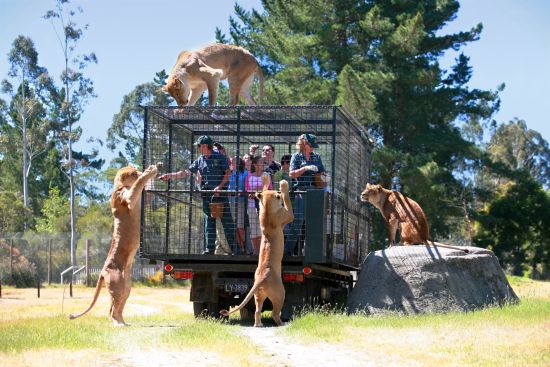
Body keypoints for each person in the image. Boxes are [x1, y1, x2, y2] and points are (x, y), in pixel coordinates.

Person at [159, 135, 236, 255]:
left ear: (206, 146)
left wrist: (219, 187)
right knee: (208, 222)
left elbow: (228, 174)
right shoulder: (200, 160)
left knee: (227, 222)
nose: (199, 148)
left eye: (200, 146)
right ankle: (209, 250)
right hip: (207, 195)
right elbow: (185, 173)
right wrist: (169, 175)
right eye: (199, 146)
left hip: (220, 194)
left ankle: (234, 249)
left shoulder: (220, 157)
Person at [284, 133, 326, 256]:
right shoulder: (296, 157)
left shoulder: (316, 157)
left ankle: (312, 252)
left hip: (315, 191)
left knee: (314, 222)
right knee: (298, 221)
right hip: (301, 191)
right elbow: (291, 174)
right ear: (304, 143)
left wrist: (320, 172)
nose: (313, 147)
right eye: (311, 145)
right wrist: (305, 169)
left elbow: (322, 171)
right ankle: (287, 251)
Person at [245, 156, 272, 255]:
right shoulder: (249, 176)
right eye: (260, 162)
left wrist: (258, 191)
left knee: (263, 229)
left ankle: (263, 251)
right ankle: (256, 252)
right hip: (252, 206)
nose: (263, 164)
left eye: (263, 163)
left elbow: (269, 189)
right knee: (254, 229)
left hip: (264, 206)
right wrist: (256, 191)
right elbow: (247, 191)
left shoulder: (266, 175)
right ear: (255, 165)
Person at [228, 156, 248, 254]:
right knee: (233, 226)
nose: (233, 162)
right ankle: (239, 247)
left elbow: (247, 186)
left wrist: (242, 192)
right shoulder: (229, 172)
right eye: (232, 161)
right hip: (230, 200)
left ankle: (244, 246)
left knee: (240, 226)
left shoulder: (245, 173)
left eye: (235, 161)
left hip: (240, 201)